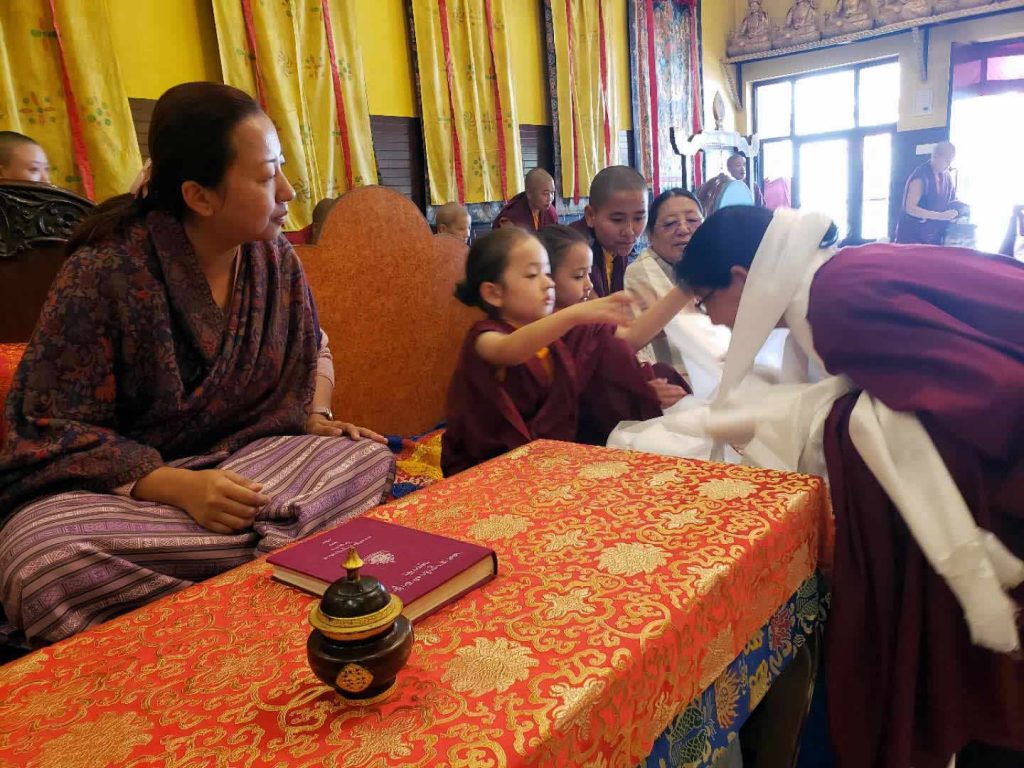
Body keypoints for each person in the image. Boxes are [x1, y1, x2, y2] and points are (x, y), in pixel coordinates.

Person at [0, 83, 396, 646]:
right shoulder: (105, 271)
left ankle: (227, 568)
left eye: (281, 168)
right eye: (265, 177)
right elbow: (48, 428)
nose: (287, 190)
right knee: (38, 558)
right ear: (200, 196)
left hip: (249, 468)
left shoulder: (273, 260)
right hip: (137, 499)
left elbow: (305, 357)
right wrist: (177, 487)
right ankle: (281, 554)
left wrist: (314, 419)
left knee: (364, 458)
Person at [674, 205, 1024, 768]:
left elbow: (979, 401)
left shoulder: (837, 303)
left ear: (740, 278)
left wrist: (793, 424)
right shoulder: (837, 277)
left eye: (706, 301)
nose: (713, 320)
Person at [441, 228, 665, 476]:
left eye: (547, 273)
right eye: (532, 274)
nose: (548, 283)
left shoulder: (552, 341)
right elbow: (510, 350)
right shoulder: (485, 338)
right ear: (494, 293)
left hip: (544, 460)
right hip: (484, 468)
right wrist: (576, 314)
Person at [538, 224, 689, 412]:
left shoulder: (583, 314)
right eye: (578, 276)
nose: (589, 284)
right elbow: (627, 341)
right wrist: (641, 389)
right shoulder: (546, 326)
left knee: (663, 373)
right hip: (583, 420)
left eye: (588, 274)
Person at [623, 189, 728, 383]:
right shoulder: (639, 272)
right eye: (670, 224)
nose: (683, 230)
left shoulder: (716, 261)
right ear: (650, 235)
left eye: (692, 221)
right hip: (674, 379)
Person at [570, 165, 648, 297]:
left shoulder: (620, 249)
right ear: (590, 215)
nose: (630, 232)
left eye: (639, 218)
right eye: (617, 220)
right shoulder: (572, 250)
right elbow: (599, 312)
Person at [895, 140, 966, 245]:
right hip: (912, 239)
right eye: (946, 161)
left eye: (950, 162)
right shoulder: (921, 176)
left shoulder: (946, 177)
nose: (948, 165)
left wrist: (957, 211)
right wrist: (940, 216)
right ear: (935, 156)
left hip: (934, 238)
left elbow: (952, 200)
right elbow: (910, 208)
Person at [492, 168, 558, 231]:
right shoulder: (512, 217)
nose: (550, 198)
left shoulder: (551, 212)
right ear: (529, 193)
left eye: (552, 192)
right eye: (545, 194)